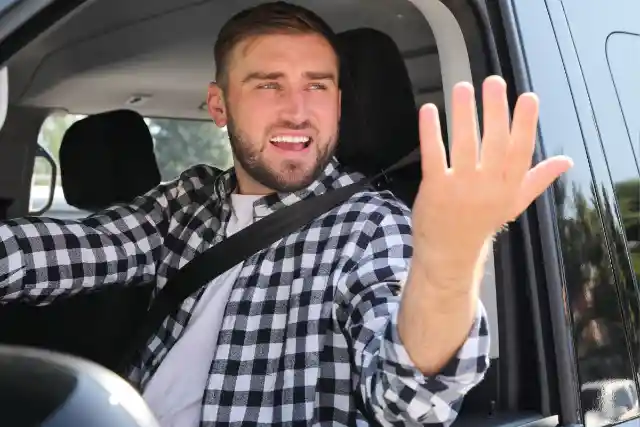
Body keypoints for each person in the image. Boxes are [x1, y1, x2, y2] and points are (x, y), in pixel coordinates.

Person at [0, 2, 572, 426]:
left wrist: (449, 263)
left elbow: (410, 404)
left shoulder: (372, 225)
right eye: (268, 84)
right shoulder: (187, 202)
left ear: (339, 104)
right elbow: (66, 251)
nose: (298, 111)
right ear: (220, 106)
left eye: (317, 87)